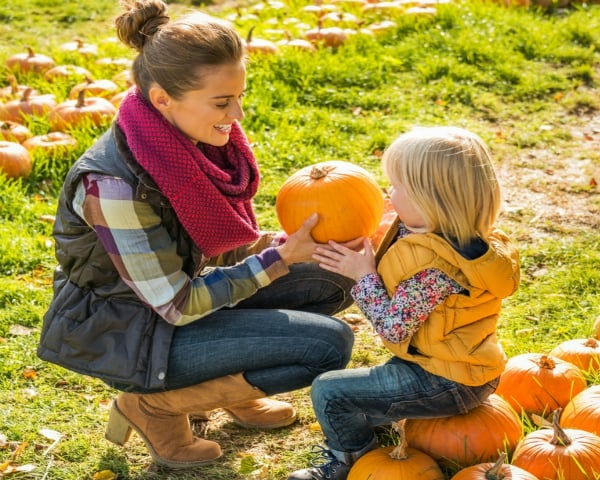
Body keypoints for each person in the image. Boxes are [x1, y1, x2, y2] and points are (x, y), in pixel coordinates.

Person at [36, 0, 359, 470]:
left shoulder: (184, 143)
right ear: (162, 97)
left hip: (172, 303)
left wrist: (306, 244)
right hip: (130, 330)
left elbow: (221, 246)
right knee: (327, 345)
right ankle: (152, 407)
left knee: (330, 278)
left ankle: (233, 387)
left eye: (239, 96)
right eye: (223, 102)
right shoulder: (112, 187)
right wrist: (280, 259)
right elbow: (176, 303)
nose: (239, 115)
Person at [288, 126, 521, 480]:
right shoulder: (450, 234)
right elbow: (402, 247)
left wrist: (362, 274)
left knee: (330, 391)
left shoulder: (436, 268)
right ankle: (379, 427)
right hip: (454, 364)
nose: (388, 194)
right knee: (361, 395)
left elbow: (392, 326)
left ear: (430, 200)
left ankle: (349, 461)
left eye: (396, 187)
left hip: (446, 381)